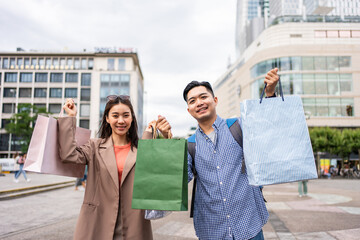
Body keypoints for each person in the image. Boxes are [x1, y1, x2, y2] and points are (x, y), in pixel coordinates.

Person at [183, 68, 279, 240]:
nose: (199, 102)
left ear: (215, 100)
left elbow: (266, 127)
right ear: (189, 110)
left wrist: (270, 93)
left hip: (249, 226)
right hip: (212, 230)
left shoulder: (238, 127)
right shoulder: (190, 145)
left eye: (203, 97)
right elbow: (179, 179)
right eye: (192, 101)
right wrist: (164, 142)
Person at [59, 96, 171, 240]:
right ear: (107, 118)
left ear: (132, 119)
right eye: (115, 115)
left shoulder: (143, 149)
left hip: (134, 223)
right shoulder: (94, 147)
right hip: (97, 222)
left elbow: (165, 170)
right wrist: (71, 118)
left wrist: (166, 136)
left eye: (126, 115)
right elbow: (69, 155)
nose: (121, 121)